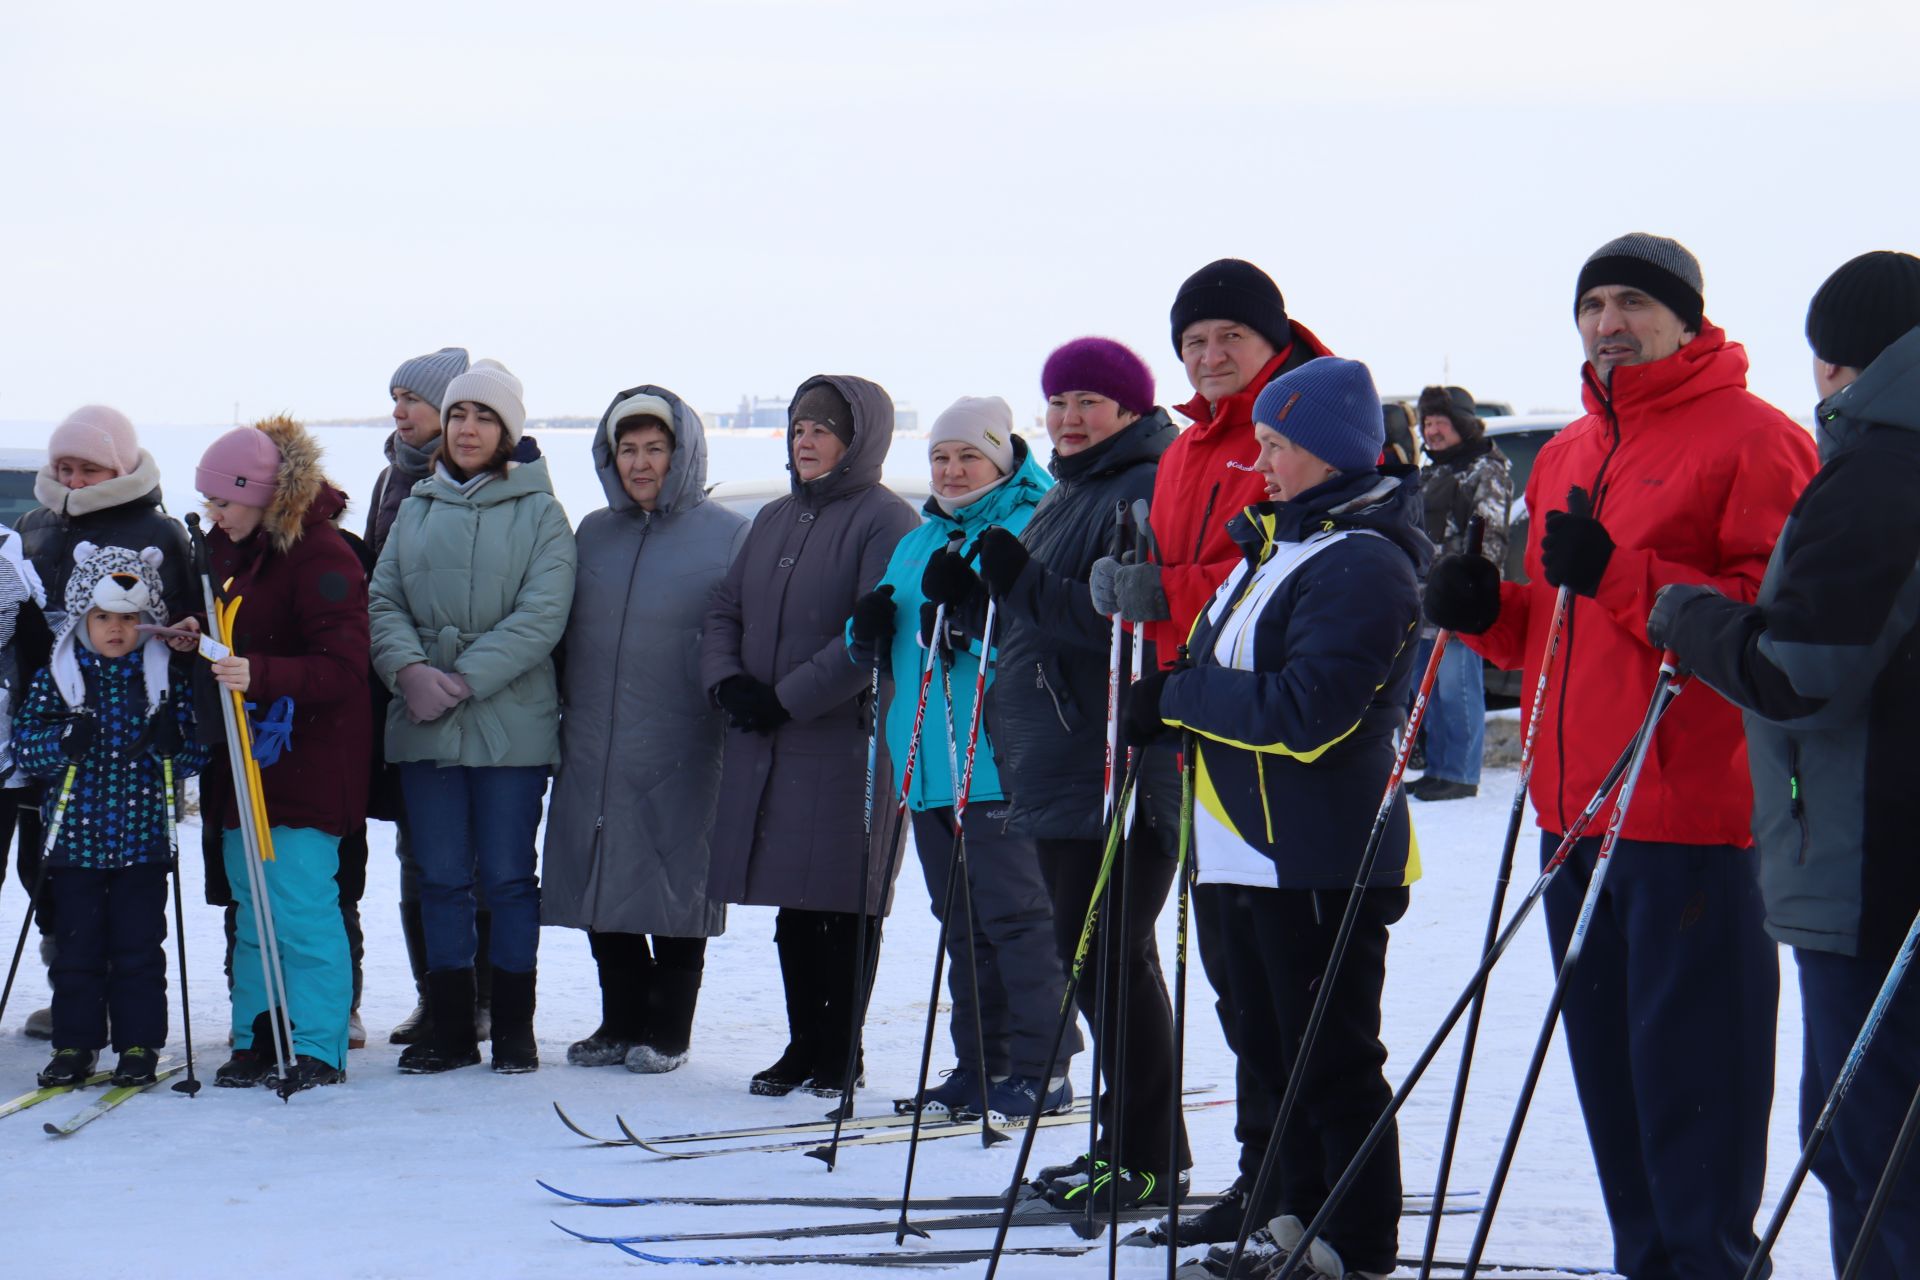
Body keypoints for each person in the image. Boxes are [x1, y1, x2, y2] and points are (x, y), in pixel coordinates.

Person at [1424, 232, 1819, 1280]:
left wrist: (1624, 573)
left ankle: (1706, 1264)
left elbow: (1774, 635)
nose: (1609, 322)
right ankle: (1649, 1260)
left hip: (1691, 810)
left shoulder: (1756, 438)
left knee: (1694, 1077)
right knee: (1613, 1077)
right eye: (1593, 303)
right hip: (1576, 810)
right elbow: (1559, 632)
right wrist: (1485, 615)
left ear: (1688, 319)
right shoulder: (1565, 453)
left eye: (1634, 302)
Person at [1649, 249, 1920, 1280]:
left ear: (1839, 361)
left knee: (1878, 1151)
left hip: (1873, 867)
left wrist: (1700, 618)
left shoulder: (1882, 467)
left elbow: (1807, 669)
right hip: (1879, 857)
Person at [1127, 356, 1425, 1280]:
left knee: (1328, 1057)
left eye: (1279, 445)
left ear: (1334, 453)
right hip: (1238, 850)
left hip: (1319, 852)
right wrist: (1173, 685)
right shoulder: (1275, 547)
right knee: (1268, 1050)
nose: (1261, 464)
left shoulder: (1364, 561)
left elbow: (1310, 714)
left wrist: (1179, 696)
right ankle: (1294, 1218)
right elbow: (1220, 672)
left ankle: (1357, 1241)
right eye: (1258, 442)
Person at [1093, 261, 1335, 1234]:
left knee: (1293, 985)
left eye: (1229, 334)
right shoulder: (1191, 444)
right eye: (1193, 341)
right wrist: (1137, 585)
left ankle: (1305, 1181)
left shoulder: (1309, 424)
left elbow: (1279, 573)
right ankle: (1260, 1170)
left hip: (1274, 742)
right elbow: (1187, 574)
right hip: (1194, 728)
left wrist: (1169, 593)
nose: (1210, 355)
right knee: (1235, 972)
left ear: (1272, 336)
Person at [953, 338, 1190, 1210]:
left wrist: (1016, 585)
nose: (1070, 418)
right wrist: (976, 604)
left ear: (1131, 410)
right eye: (1058, 402)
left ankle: (1144, 1159)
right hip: (1060, 764)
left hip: (1116, 765)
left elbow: (1122, 625)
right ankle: (1137, 1147)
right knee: (1098, 963)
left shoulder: (1142, 487)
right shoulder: (1074, 491)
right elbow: (1037, 621)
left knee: (1108, 962)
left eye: (1091, 401)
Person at [849, 394, 1073, 1120]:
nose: (951, 470)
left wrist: (973, 618)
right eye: (940, 457)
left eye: (968, 455)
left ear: (1001, 459)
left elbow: (1047, 634)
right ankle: (983, 1065)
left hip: (997, 757)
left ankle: (1044, 1068)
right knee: (964, 929)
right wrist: (868, 632)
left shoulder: (1032, 523)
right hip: (927, 762)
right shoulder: (919, 539)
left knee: (1018, 921)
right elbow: (893, 634)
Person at [701, 374, 917, 1098]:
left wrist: (785, 698)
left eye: (822, 429)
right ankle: (803, 1042)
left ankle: (839, 1049)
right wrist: (728, 681)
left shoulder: (886, 521)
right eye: (798, 429)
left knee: (845, 904)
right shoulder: (770, 519)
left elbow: (871, 634)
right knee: (795, 908)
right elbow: (725, 607)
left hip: (845, 743)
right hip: (773, 739)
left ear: (859, 440)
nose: (806, 442)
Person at [369, 359, 574, 1076]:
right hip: (423, 721)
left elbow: (543, 614)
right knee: (442, 877)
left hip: (509, 726)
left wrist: (460, 679)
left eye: (484, 417)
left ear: (507, 431)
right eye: (458, 415)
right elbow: (383, 599)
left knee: (510, 879)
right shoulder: (418, 504)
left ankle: (514, 1029)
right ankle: (451, 1027)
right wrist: (408, 671)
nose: (467, 428)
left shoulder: (543, 512)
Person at [543, 385, 747, 1073]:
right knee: (602, 877)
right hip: (596, 735)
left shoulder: (727, 535)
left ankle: (669, 1028)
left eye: (655, 448)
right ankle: (618, 1018)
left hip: (686, 737)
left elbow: (743, 632)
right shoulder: (594, 532)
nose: (640, 462)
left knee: (676, 880)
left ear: (682, 453)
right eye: (627, 449)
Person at [194, 417, 372, 1092]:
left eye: (224, 502)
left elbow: (344, 668)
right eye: (209, 502)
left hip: (306, 769)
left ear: (263, 495)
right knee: (250, 910)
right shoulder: (229, 550)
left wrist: (258, 674)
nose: (213, 515)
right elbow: (233, 633)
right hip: (243, 771)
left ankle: (319, 1045)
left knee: (299, 909)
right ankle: (257, 1039)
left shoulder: (322, 555)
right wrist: (198, 639)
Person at [9, 405, 196, 1039]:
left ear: (117, 465)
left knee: (131, 877)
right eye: (63, 466)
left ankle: (124, 993)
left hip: (129, 723)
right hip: (49, 711)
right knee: (47, 862)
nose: (74, 478)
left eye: (89, 468)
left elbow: (179, 621)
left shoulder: (159, 529)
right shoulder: (33, 524)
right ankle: (72, 981)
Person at [13, 544, 208, 1088]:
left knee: (139, 950)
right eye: (104, 618)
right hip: (74, 844)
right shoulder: (61, 674)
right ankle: (75, 1044)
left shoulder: (160, 679)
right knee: (77, 949)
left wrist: (175, 744)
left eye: (128, 618)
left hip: (142, 845)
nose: (117, 629)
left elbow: (193, 756)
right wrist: (61, 741)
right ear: (83, 618)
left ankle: (139, 1043)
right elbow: (29, 749)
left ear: (147, 623)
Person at [360, 346, 484, 1048]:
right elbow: (384, 583)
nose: (401, 410)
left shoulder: (485, 476)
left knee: (477, 859)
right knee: (421, 852)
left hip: (478, 691)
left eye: (414, 398)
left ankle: (485, 997)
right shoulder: (389, 480)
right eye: (395, 397)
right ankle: (434, 996)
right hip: (402, 691)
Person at [1408, 384, 1509, 802]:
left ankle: (1460, 774)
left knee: (1456, 689)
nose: (1431, 432)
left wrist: (1471, 589)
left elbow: (1491, 533)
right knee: (1426, 689)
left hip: (1457, 600)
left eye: (1440, 423)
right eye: (1427, 423)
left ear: (1462, 425)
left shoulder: (1485, 468)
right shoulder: (1432, 471)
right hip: (1420, 601)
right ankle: (1437, 768)